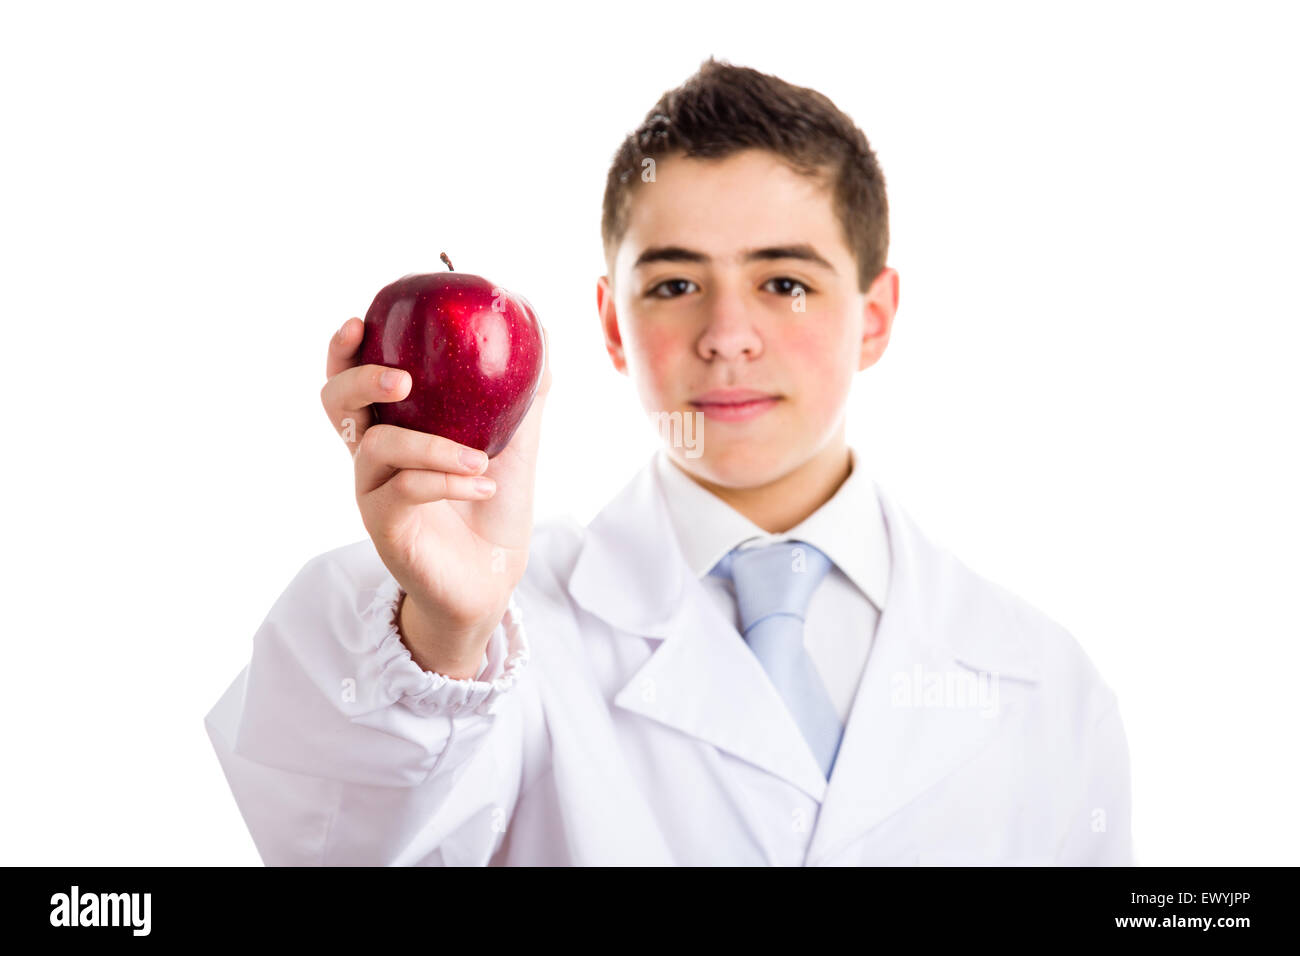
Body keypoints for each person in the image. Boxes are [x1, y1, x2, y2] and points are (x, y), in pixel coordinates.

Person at [204, 57, 1133, 866]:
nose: (728, 338)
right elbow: (349, 849)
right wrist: (445, 634)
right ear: (612, 323)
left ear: (876, 316)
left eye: (785, 283)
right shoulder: (497, 641)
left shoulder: (1044, 682)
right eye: (677, 284)